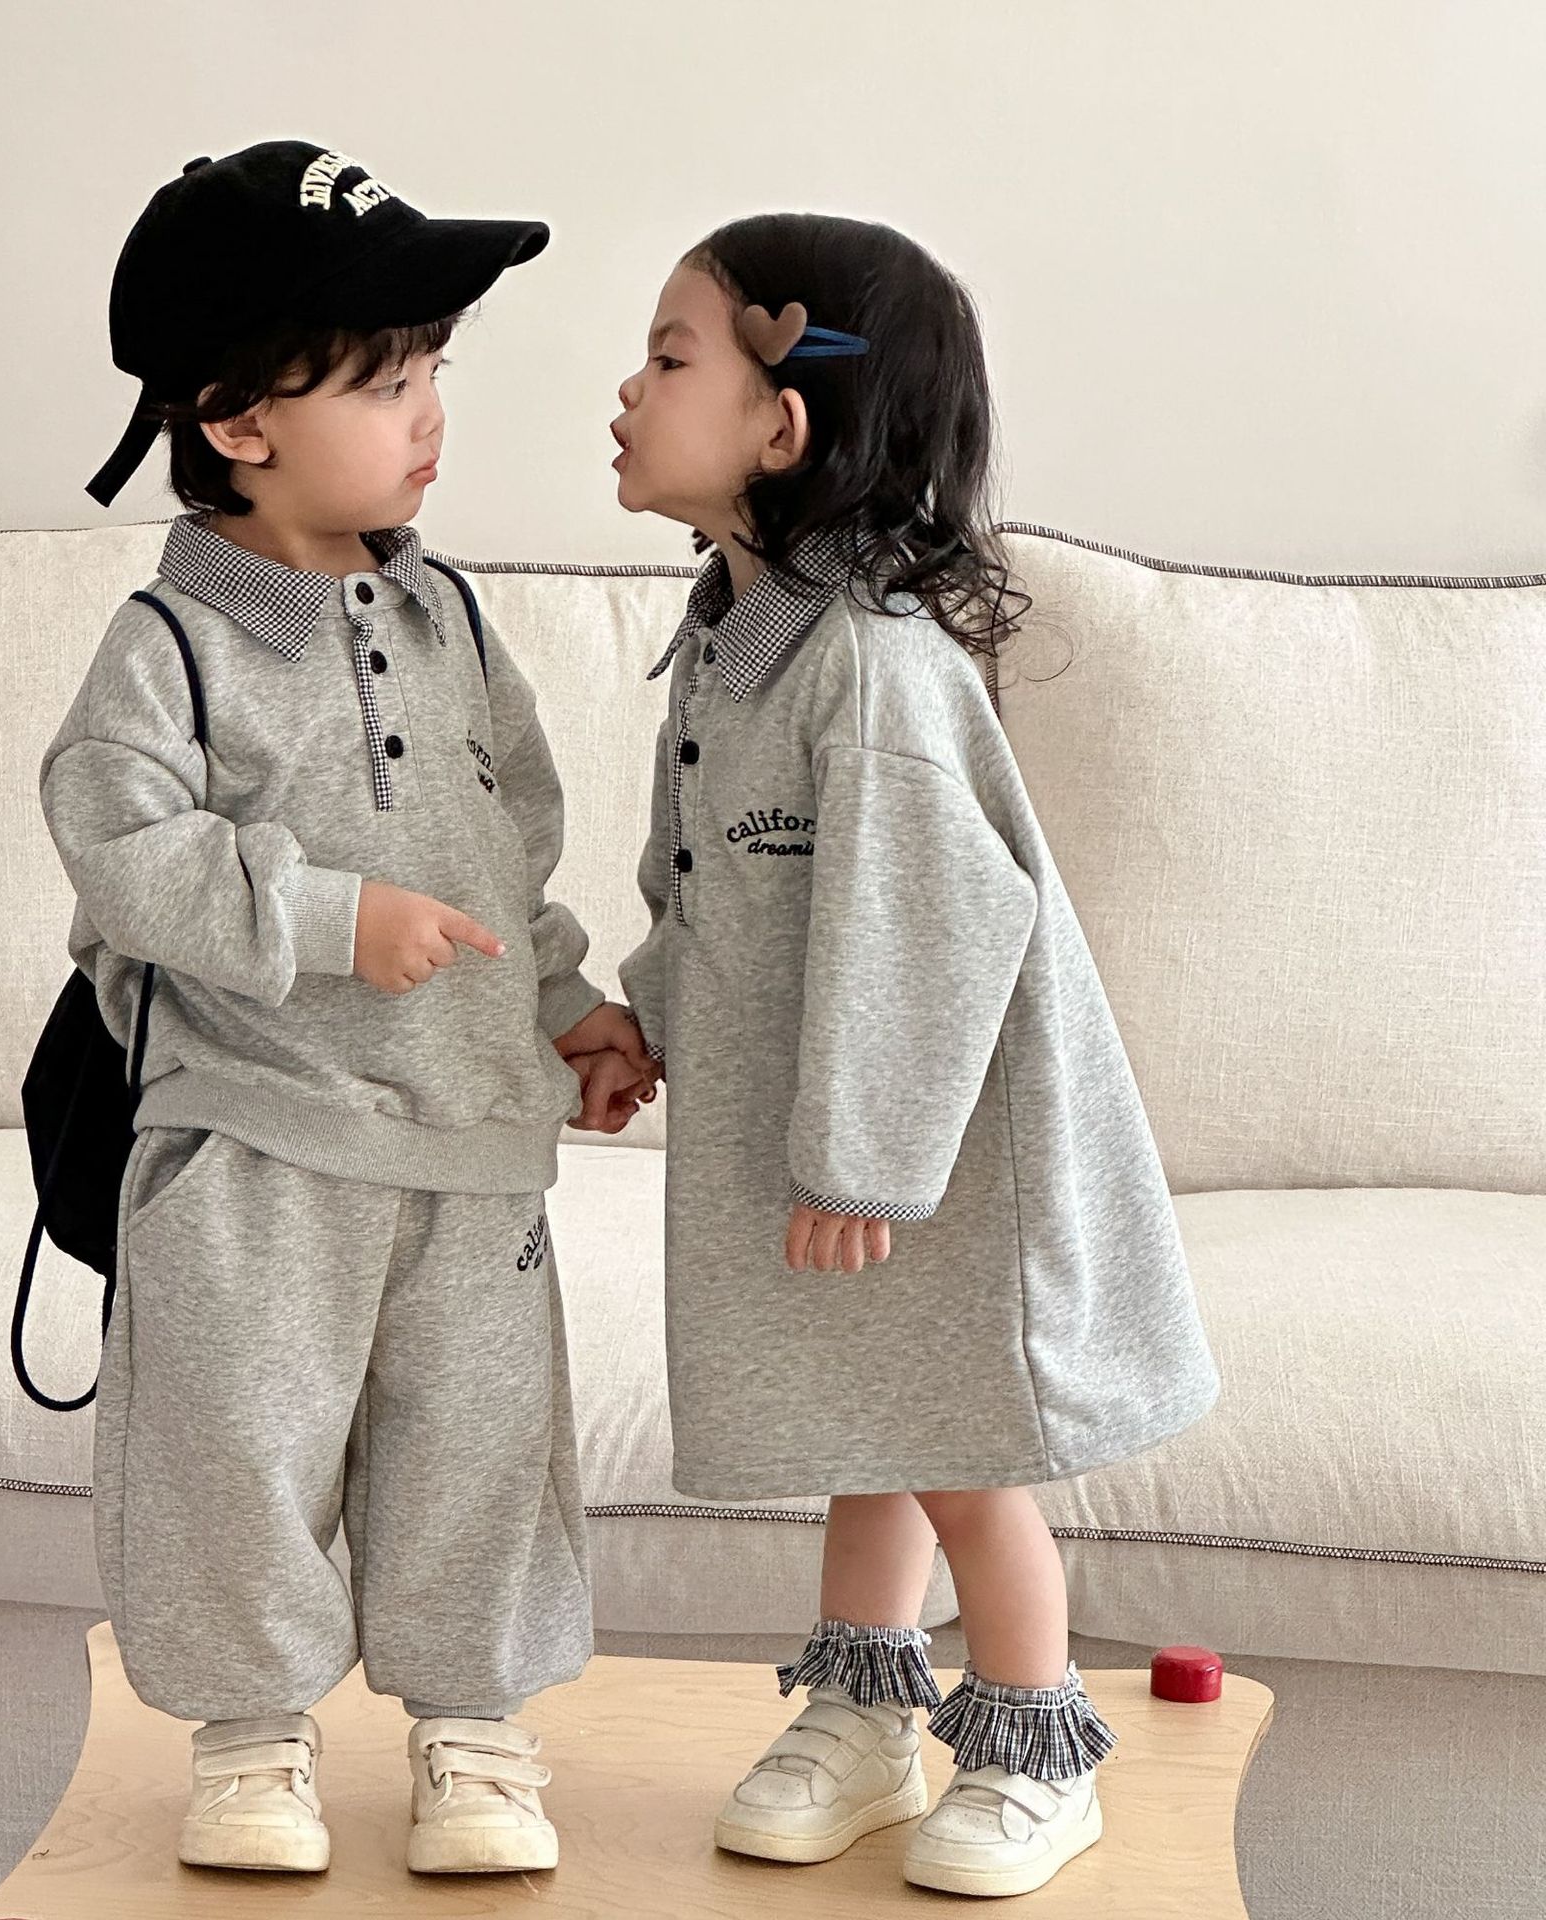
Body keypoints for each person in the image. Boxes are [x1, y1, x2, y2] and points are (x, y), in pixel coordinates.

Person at [40, 139, 653, 1876]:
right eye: (385, 381)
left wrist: (564, 1005)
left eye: (433, 366)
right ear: (238, 419)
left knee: (479, 1449)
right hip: (256, 1143)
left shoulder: (449, 615)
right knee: (238, 1452)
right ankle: (249, 1741)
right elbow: (118, 847)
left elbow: (504, 855)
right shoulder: (170, 644)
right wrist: (324, 917)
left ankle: (476, 1735)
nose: (430, 411)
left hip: (471, 1149)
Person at [605, 212, 1221, 1899]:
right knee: (859, 1424)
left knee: (957, 1452)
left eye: (668, 357)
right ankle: (868, 1714)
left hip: (933, 1146)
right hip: (834, 1138)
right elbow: (707, 888)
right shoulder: (729, 646)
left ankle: (1034, 1747)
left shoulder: (873, 670)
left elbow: (933, 920)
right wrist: (647, 1019)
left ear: (782, 423)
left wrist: (867, 1159)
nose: (626, 392)